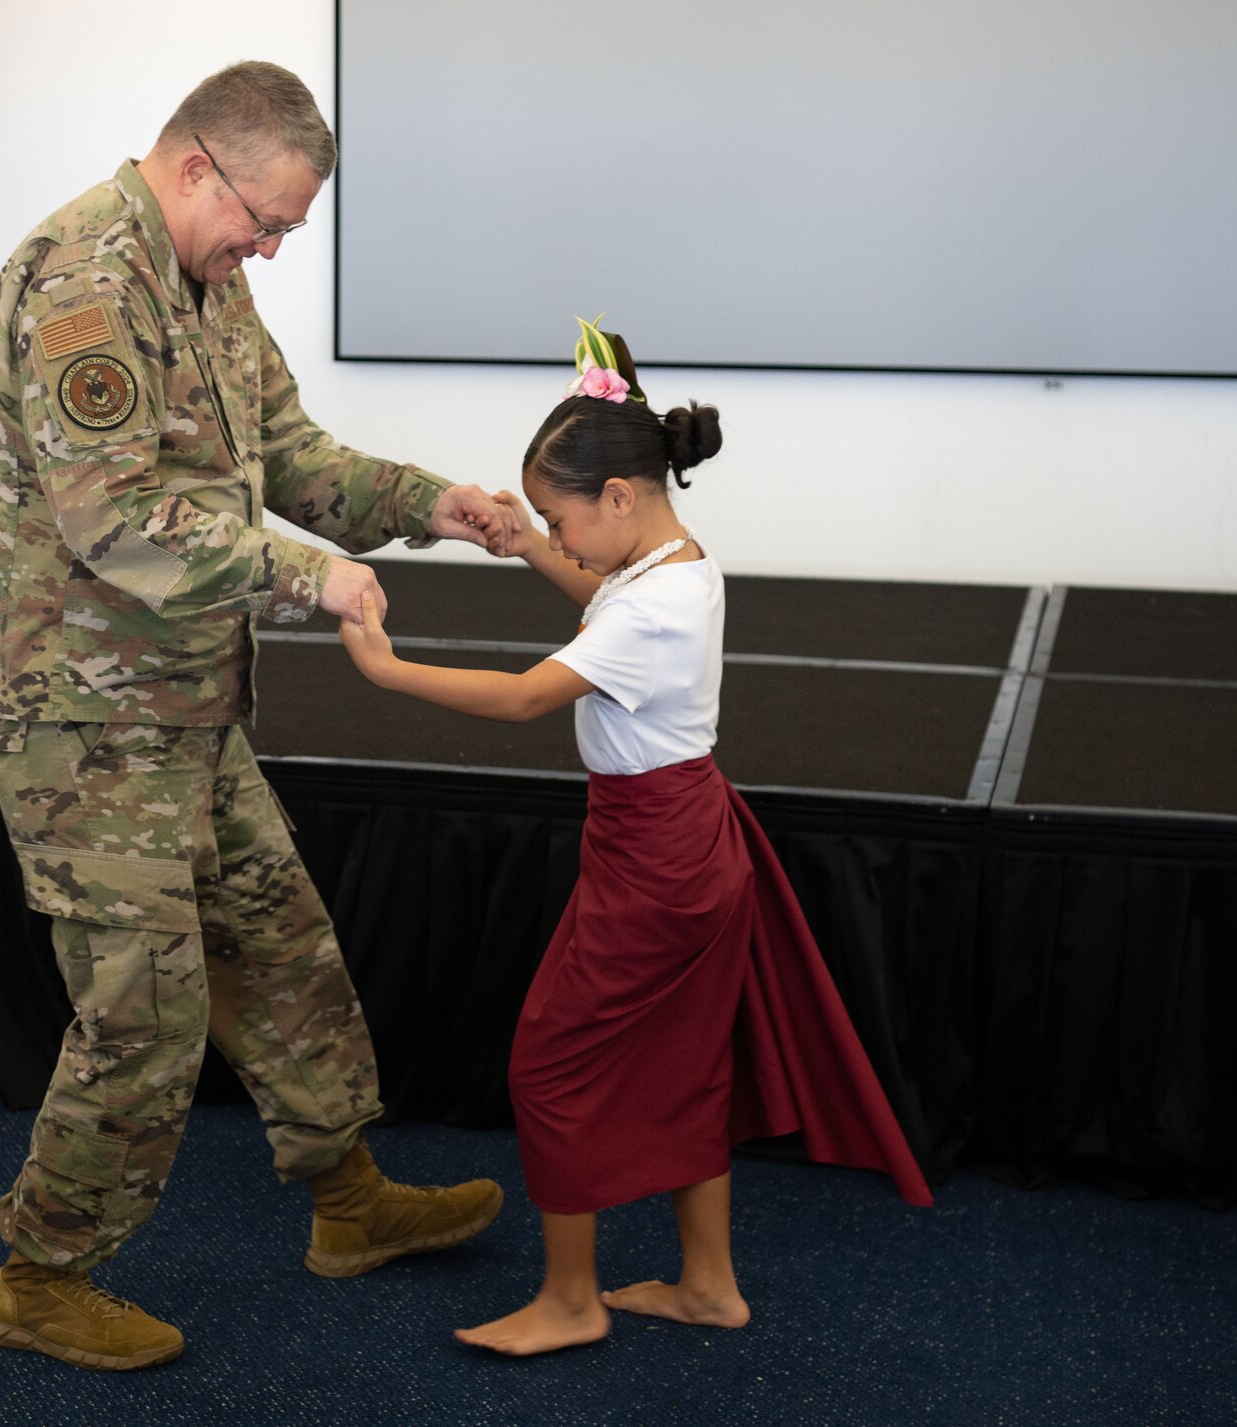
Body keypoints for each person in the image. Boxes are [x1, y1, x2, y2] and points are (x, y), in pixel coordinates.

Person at [0, 61, 517, 1372]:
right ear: (197, 165)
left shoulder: (209, 281)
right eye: (263, 220)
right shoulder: (84, 280)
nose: (269, 246)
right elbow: (119, 523)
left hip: (185, 707)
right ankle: (42, 1274)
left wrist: (431, 504)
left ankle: (350, 1204)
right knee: (146, 1009)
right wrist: (307, 576)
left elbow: (291, 453)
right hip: (84, 722)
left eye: (286, 231)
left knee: (282, 946)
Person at [338, 321, 933, 1357]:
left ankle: (572, 1299)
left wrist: (390, 671)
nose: (559, 539)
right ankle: (708, 1284)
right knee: (684, 1057)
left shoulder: (649, 601)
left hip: (655, 863)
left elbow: (526, 697)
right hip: (685, 842)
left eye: (558, 519)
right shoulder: (673, 565)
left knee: (553, 1063)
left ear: (618, 496)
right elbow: (599, 596)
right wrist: (527, 546)